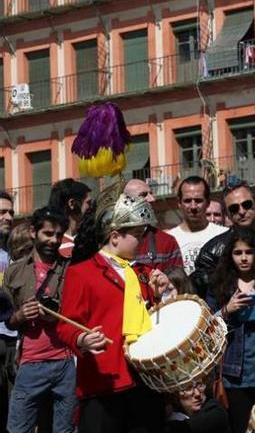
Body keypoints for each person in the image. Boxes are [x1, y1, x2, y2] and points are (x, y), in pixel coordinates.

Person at [55, 184, 167, 431]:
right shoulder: (81, 273)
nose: (142, 240)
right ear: (115, 237)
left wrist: (163, 294)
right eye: (137, 234)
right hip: (103, 383)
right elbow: (65, 326)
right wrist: (82, 338)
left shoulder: (144, 272)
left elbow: (155, 318)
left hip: (145, 380)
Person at [2, 208, 76, 433]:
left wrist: (57, 316)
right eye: (48, 234)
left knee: (62, 430)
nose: (54, 241)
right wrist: (20, 316)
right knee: (18, 429)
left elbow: (81, 316)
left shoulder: (72, 269)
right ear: (33, 232)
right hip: (30, 363)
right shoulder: (15, 271)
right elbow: (7, 321)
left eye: (59, 235)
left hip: (65, 363)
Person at [207, 226, 255, 433]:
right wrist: (226, 310)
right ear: (230, 255)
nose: (243, 258)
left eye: (248, 252)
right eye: (238, 253)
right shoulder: (221, 285)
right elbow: (208, 327)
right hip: (234, 375)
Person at [190, 179, 255, 298]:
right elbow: (206, 295)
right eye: (234, 208)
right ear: (228, 214)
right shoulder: (211, 251)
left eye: (246, 205)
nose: (241, 211)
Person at [166, 177, 228, 275]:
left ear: (207, 202)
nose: (193, 206)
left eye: (198, 200)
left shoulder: (225, 234)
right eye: (187, 201)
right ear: (179, 203)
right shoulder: (168, 239)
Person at [124, 179, 185, 273]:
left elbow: (178, 282)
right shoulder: (114, 241)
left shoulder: (166, 242)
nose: (152, 199)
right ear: (127, 201)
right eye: (144, 195)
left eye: (151, 193)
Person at [0, 191, 17, 430]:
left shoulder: (15, 253)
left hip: (15, 340)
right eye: (2, 212)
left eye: (11, 212)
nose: (9, 217)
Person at [47, 179, 91, 259]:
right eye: (88, 203)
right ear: (72, 203)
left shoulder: (87, 239)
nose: (91, 208)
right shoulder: (61, 247)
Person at [165, 379, 230, 433]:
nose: (197, 394)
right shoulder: (173, 414)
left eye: (200, 385)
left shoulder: (216, 412)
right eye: (188, 388)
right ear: (175, 394)